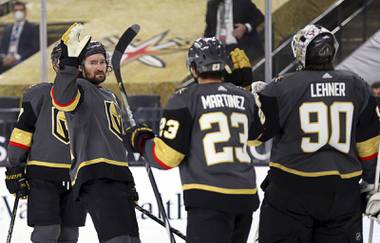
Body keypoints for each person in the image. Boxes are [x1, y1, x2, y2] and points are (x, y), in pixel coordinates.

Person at [251, 24, 380, 243]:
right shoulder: (357, 85)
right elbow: (368, 145)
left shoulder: (283, 87)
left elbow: (255, 137)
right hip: (342, 193)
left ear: (300, 52)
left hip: (291, 190)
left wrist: (257, 101)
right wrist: (369, 184)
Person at [126, 37, 260, 243]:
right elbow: (256, 139)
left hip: (209, 197)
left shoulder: (185, 99)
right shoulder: (245, 97)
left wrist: (140, 141)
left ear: (194, 67)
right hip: (246, 197)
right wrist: (245, 92)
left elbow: (167, 157)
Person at [51, 23, 140, 243]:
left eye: (102, 62)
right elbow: (62, 98)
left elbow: (116, 141)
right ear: (81, 67)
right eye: (93, 63)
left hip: (119, 176)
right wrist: (69, 63)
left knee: (132, 240)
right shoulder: (79, 88)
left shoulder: (110, 95)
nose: (99, 67)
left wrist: (129, 181)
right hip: (95, 176)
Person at [5, 43, 87, 243]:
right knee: (47, 232)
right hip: (43, 175)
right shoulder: (39, 93)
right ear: (55, 65)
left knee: (70, 235)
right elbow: (23, 131)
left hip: (77, 175)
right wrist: (15, 167)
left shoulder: (89, 94)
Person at [0, 1, 39, 74]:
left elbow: (34, 48)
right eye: (16, 10)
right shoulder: (7, 29)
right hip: (5, 60)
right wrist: (4, 57)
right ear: (13, 12)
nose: (18, 12)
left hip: (22, 60)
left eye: (21, 10)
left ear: (25, 12)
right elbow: (2, 47)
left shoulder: (32, 28)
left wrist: (17, 57)